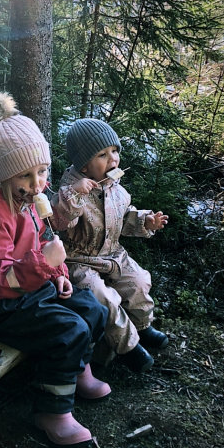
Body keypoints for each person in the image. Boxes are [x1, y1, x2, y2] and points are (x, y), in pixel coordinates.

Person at [0, 93, 110, 447]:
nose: (37, 183)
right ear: (5, 177)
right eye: (25, 176)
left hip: (31, 289)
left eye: (42, 171)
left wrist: (58, 275)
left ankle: (79, 371)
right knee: (69, 329)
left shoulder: (29, 202)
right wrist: (46, 264)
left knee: (92, 308)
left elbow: (43, 239)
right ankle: (52, 411)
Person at [50, 117, 169, 373]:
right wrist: (75, 194)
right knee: (103, 298)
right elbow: (60, 222)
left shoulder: (115, 188)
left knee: (137, 281)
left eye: (114, 151)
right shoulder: (70, 191)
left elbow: (123, 219)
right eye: (102, 155)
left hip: (113, 254)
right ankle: (128, 347)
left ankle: (142, 327)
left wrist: (145, 221)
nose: (113, 159)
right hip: (79, 259)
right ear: (83, 166)